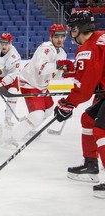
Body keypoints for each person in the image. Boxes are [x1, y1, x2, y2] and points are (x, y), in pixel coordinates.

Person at [53, 10, 105, 198]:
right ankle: (91, 165)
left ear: (77, 28)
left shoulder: (87, 49)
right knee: (89, 119)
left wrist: (67, 103)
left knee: (101, 130)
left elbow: (84, 89)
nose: (70, 33)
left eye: (71, 29)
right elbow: (95, 73)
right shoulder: (101, 36)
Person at [6, 24, 75, 147]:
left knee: (48, 110)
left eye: (62, 36)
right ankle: (12, 139)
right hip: (30, 82)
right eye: (56, 37)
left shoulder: (62, 53)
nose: (59, 40)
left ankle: (29, 129)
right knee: (37, 115)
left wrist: (67, 74)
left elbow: (54, 75)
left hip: (41, 85)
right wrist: (59, 65)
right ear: (51, 37)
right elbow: (42, 68)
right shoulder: (46, 48)